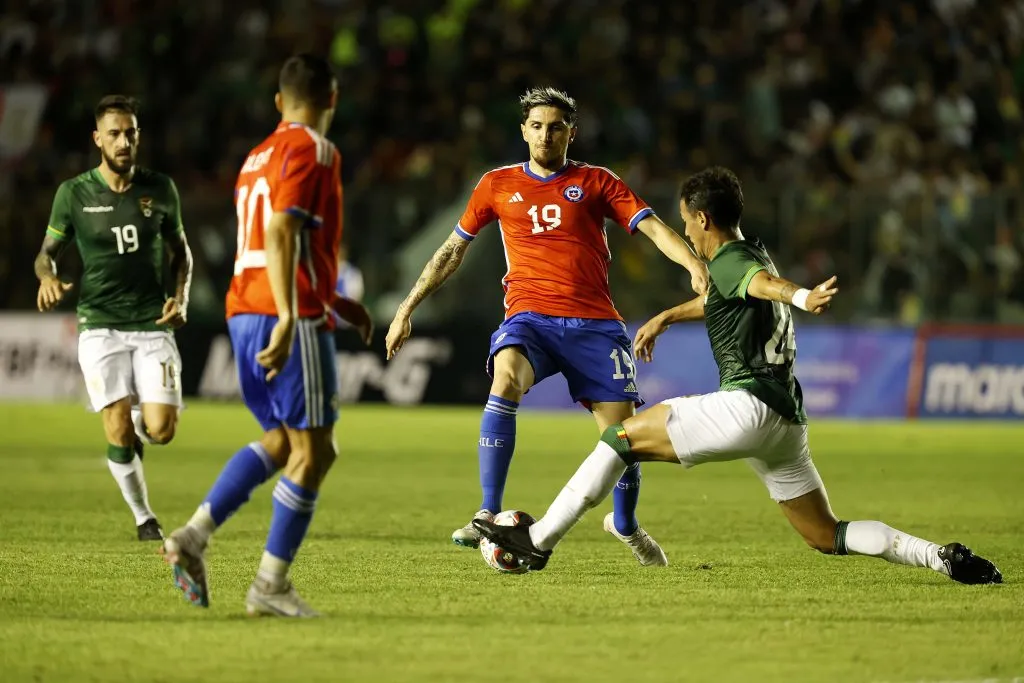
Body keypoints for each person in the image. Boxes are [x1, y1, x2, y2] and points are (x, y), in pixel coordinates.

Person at [474, 166, 1003, 586]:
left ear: (703, 219)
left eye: (685, 221)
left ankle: (536, 542)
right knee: (825, 534)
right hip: (787, 425)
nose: (684, 230)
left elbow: (762, 284)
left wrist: (800, 296)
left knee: (618, 437)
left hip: (746, 408)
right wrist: (664, 317)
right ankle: (938, 556)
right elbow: (726, 295)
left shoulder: (733, 261)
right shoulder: (750, 250)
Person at [385, 87, 709, 566]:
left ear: (570, 133)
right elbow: (453, 250)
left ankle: (625, 525)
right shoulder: (496, 185)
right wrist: (406, 306)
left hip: (595, 326)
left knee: (622, 438)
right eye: (536, 126)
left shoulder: (596, 181)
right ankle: (488, 510)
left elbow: (653, 226)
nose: (545, 134)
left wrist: (693, 266)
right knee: (506, 376)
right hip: (529, 318)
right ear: (523, 131)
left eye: (555, 126)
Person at [161, 54, 370, 617]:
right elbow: (281, 232)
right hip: (287, 315)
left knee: (282, 441)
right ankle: (269, 586)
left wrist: (338, 302)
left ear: (279, 102)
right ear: (332, 99)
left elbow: (269, 241)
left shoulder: (255, 158)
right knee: (316, 450)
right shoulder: (317, 150)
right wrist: (289, 313)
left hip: (242, 312)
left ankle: (193, 536)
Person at [34, 94, 193, 542]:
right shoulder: (73, 194)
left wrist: (180, 298)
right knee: (117, 426)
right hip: (99, 324)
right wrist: (48, 277)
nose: (124, 142)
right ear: (97, 139)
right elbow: (45, 256)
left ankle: (138, 427)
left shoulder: (160, 189)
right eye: (115, 134)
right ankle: (144, 517)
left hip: (151, 323)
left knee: (161, 430)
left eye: (131, 133)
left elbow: (182, 254)